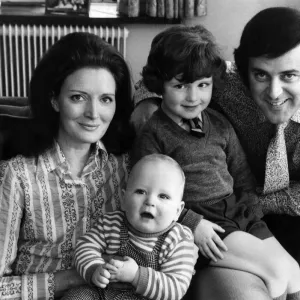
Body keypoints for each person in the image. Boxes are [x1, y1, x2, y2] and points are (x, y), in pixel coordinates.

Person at [131, 6, 300, 300]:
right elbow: (171, 73)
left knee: (291, 274)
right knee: (275, 277)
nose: (274, 92)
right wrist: (147, 102)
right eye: (260, 74)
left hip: (253, 211)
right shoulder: (221, 86)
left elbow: (241, 173)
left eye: (290, 75)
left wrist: (252, 207)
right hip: (201, 218)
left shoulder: (218, 125)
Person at [0, 32, 134, 299]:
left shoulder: (126, 166)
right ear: (54, 99)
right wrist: (71, 278)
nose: (94, 114)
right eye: (78, 97)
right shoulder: (16, 175)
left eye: (106, 99)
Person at [61, 154, 197, 300]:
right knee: (76, 296)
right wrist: (94, 269)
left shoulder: (178, 240)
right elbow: (85, 246)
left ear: (178, 210)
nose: (150, 201)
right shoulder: (112, 222)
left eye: (163, 196)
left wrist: (136, 275)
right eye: (141, 191)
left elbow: (176, 288)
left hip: (145, 297)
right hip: (102, 292)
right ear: (124, 200)